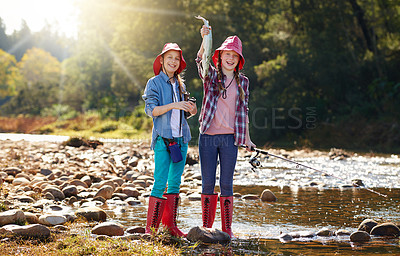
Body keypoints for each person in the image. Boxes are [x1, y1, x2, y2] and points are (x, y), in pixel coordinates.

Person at [196, 26, 256, 237]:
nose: (230, 58)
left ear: (239, 60)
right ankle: (206, 227)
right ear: (219, 56)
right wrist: (205, 38)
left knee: (226, 183)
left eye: (234, 55)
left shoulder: (244, 82)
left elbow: (244, 111)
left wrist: (247, 139)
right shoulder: (211, 77)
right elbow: (201, 62)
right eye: (227, 54)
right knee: (208, 182)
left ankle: (227, 229)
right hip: (208, 138)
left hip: (231, 139)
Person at [142, 43, 197, 237]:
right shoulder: (154, 83)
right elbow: (152, 111)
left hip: (181, 140)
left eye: (176, 58)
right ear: (162, 61)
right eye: (170, 58)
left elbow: (182, 115)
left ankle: (170, 227)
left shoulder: (180, 85)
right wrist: (174, 104)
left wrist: (191, 110)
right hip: (162, 140)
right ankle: (151, 230)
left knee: (174, 183)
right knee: (160, 182)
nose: (173, 61)